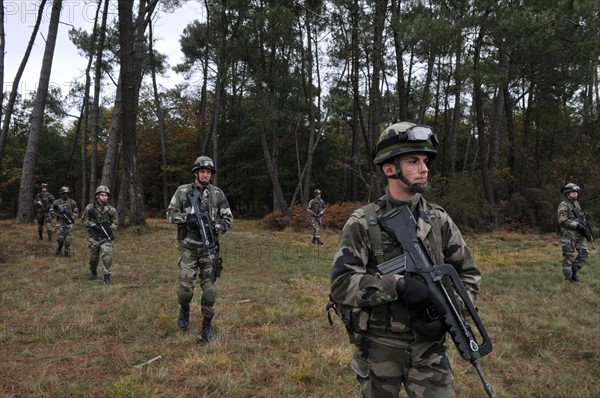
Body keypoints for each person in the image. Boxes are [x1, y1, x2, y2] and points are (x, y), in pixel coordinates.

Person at [329, 122, 482, 398]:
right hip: (379, 346)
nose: (424, 168)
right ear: (389, 169)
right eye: (413, 161)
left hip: (430, 347)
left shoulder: (439, 219)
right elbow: (341, 284)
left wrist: (445, 311)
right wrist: (396, 286)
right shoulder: (363, 221)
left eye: (425, 161)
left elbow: (468, 275)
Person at [167, 156, 233, 343]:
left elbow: (228, 219)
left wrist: (216, 227)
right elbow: (170, 214)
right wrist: (188, 218)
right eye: (202, 171)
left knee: (210, 291)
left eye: (208, 172)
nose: (205, 175)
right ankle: (184, 309)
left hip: (209, 249)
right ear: (196, 173)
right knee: (185, 290)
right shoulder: (182, 192)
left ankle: (206, 326)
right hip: (188, 247)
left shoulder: (217, 194)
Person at [81, 186, 118, 285]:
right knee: (94, 258)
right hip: (93, 238)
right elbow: (84, 220)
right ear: (97, 196)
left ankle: (107, 276)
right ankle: (93, 272)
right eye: (102, 195)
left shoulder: (111, 209)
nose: (104, 197)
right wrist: (92, 225)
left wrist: (110, 229)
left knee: (107, 256)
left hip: (105, 238)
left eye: (106, 195)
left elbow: (115, 222)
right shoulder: (90, 208)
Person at [557, 183, 589, 283]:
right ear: (567, 193)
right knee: (569, 256)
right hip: (568, 235)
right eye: (573, 192)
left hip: (579, 234)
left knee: (584, 253)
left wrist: (584, 227)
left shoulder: (577, 204)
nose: (575, 194)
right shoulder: (563, 205)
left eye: (576, 193)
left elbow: (582, 217)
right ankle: (569, 278)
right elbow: (562, 220)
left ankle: (573, 272)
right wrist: (576, 225)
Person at [52, 186, 79, 257]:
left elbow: (76, 212)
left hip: (69, 223)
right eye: (64, 193)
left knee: (68, 239)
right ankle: (59, 248)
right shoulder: (56, 202)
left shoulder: (72, 202)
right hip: (60, 222)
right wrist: (58, 215)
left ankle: (67, 253)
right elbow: (51, 211)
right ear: (61, 194)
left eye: (67, 193)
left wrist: (71, 217)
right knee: (60, 238)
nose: (65, 195)